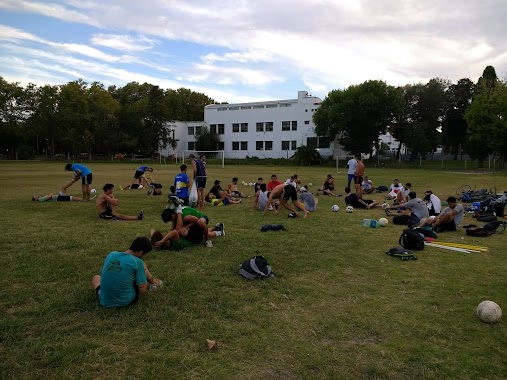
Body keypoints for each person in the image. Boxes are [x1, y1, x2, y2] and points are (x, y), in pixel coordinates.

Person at [91, 237, 162, 308]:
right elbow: (143, 290)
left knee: (96, 277)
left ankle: (103, 293)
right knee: (138, 277)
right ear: (141, 253)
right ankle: (153, 283)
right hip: (124, 301)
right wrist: (144, 270)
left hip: (104, 301)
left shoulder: (111, 254)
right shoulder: (137, 262)